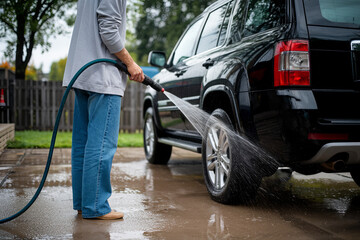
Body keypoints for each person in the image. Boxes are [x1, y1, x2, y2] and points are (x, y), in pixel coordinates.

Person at [62, 0, 144, 220]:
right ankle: (96, 206)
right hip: (103, 76)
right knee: (101, 145)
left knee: (83, 143)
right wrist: (131, 63)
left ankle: (83, 203)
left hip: (82, 73)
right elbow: (108, 31)